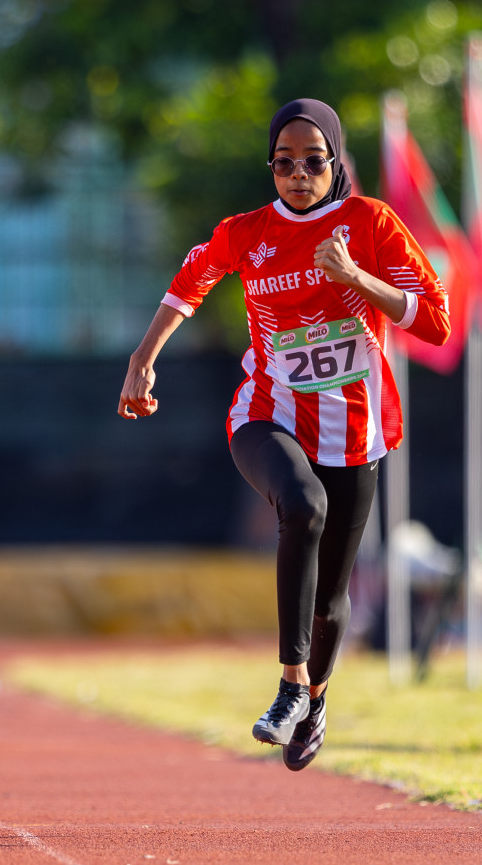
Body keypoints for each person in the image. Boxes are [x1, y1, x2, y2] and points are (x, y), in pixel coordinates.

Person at [118, 99, 449, 771]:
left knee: (332, 594)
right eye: (284, 163)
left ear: (335, 162)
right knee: (302, 506)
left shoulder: (371, 224)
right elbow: (190, 285)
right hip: (266, 414)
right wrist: (142, 358)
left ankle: (315, 701)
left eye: (313, 161)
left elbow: (436, 321)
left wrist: (355, 277)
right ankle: (289, 684)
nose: (298, 174)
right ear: (270, 166)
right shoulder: (247, 232)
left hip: (356, 430)